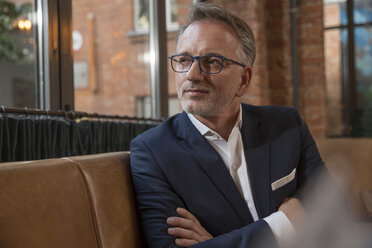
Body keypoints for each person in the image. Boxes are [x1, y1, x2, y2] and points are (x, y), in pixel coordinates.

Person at [130, 2, 326, 248]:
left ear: (244, 80)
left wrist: (215, 243)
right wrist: (283, 223)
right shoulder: (152, 152)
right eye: (183, 60)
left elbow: (330, 213)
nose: (192, 75)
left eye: (212, 62)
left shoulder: (287, 126)